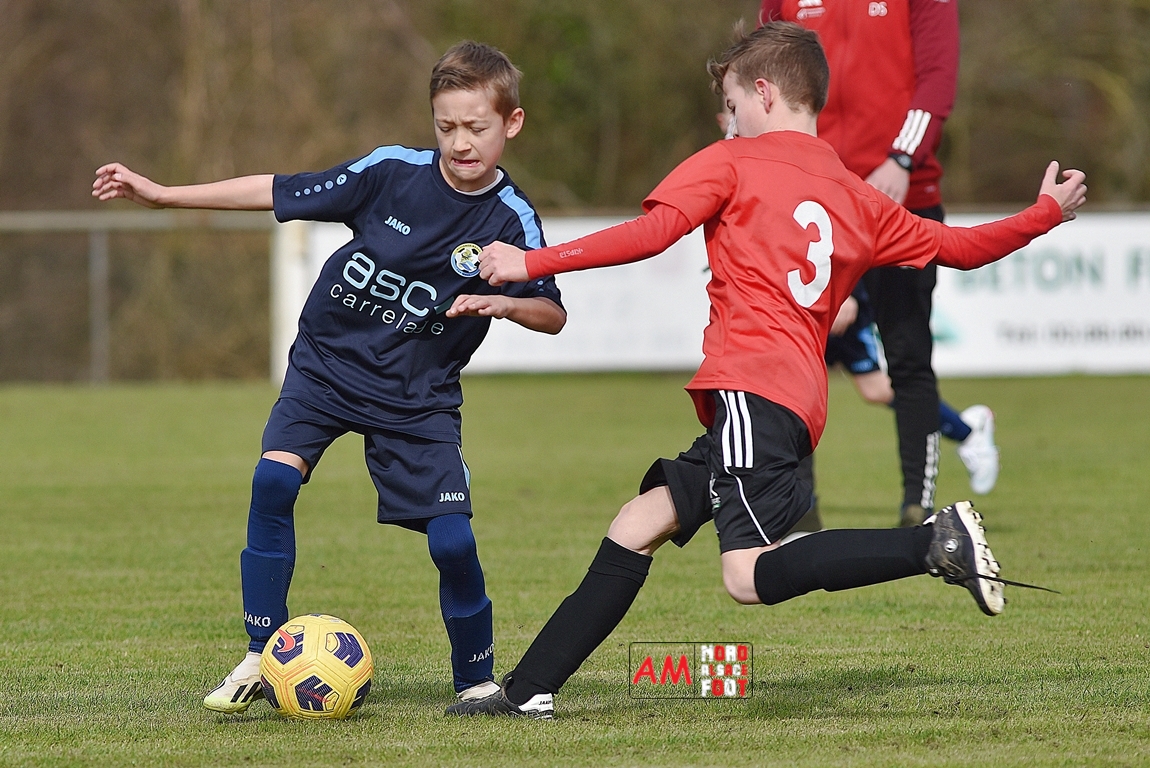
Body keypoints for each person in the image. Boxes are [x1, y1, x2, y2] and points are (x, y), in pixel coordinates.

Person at [446, 22, 1084, 719]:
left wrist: (531, 262)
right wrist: (1044, 214)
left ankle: (934, 542)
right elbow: (959, 247)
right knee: (639, 522)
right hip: (789, 400)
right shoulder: (859, 195)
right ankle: (527, 690)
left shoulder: (733, 161)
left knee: (747, 575)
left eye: (731, 104)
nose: (728, 120)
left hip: (753, 388)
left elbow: (652, 234)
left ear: (764, 92)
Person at [92, 41, 567, 713]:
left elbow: (552, 314)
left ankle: (477, 683)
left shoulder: (512, 219)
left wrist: (505, 301)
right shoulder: (390, 172)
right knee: (273, 480)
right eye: (446, 126)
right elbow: (278, 189)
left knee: (453, 541)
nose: (460, 142)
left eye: (476, 127)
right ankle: (259, 655)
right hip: (328, 367)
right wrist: (164, 195)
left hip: (416, 397)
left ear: (511, 123)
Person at [760, 0, 974, 526]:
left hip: (902, 196)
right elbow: (762, 74)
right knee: (796, 354)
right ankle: (798, 510)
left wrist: (902, 158)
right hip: (810, 200)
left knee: (907, 354)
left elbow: (937, 77)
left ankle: (917, 509)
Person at [825, 283, 999, 494]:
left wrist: (849, 293)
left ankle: (968, 432)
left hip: (833, 299)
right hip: (804, 300)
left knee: (877, 389)